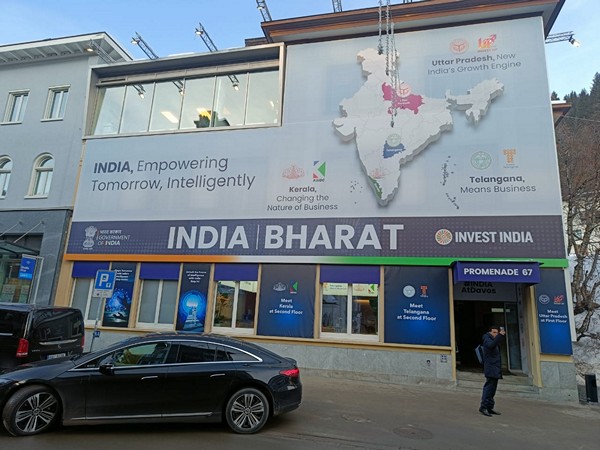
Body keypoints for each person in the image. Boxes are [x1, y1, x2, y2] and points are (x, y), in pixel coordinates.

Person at [479, 325, 506, 417]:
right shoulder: (487, 339)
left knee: (493, 389)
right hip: (490, 368)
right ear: (489, 332)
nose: (495, 334)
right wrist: (499, 336)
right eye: (494, 332)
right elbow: (491, 345)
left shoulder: (494, 340)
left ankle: (490, 407)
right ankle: (483, 407)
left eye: (497, 333)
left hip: (495, 368)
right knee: (488, 388)